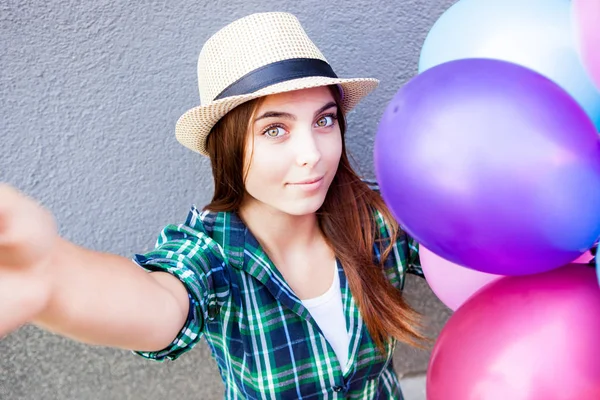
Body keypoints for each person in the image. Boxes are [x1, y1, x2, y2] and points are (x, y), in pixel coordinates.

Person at [0, 12, 427, 399]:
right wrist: (53, 278)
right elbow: (159, 304)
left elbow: (468, 251)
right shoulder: (212, 252)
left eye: (324, 120)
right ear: (227, 146)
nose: (311, 153)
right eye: (275, 129)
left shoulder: (377, 218)